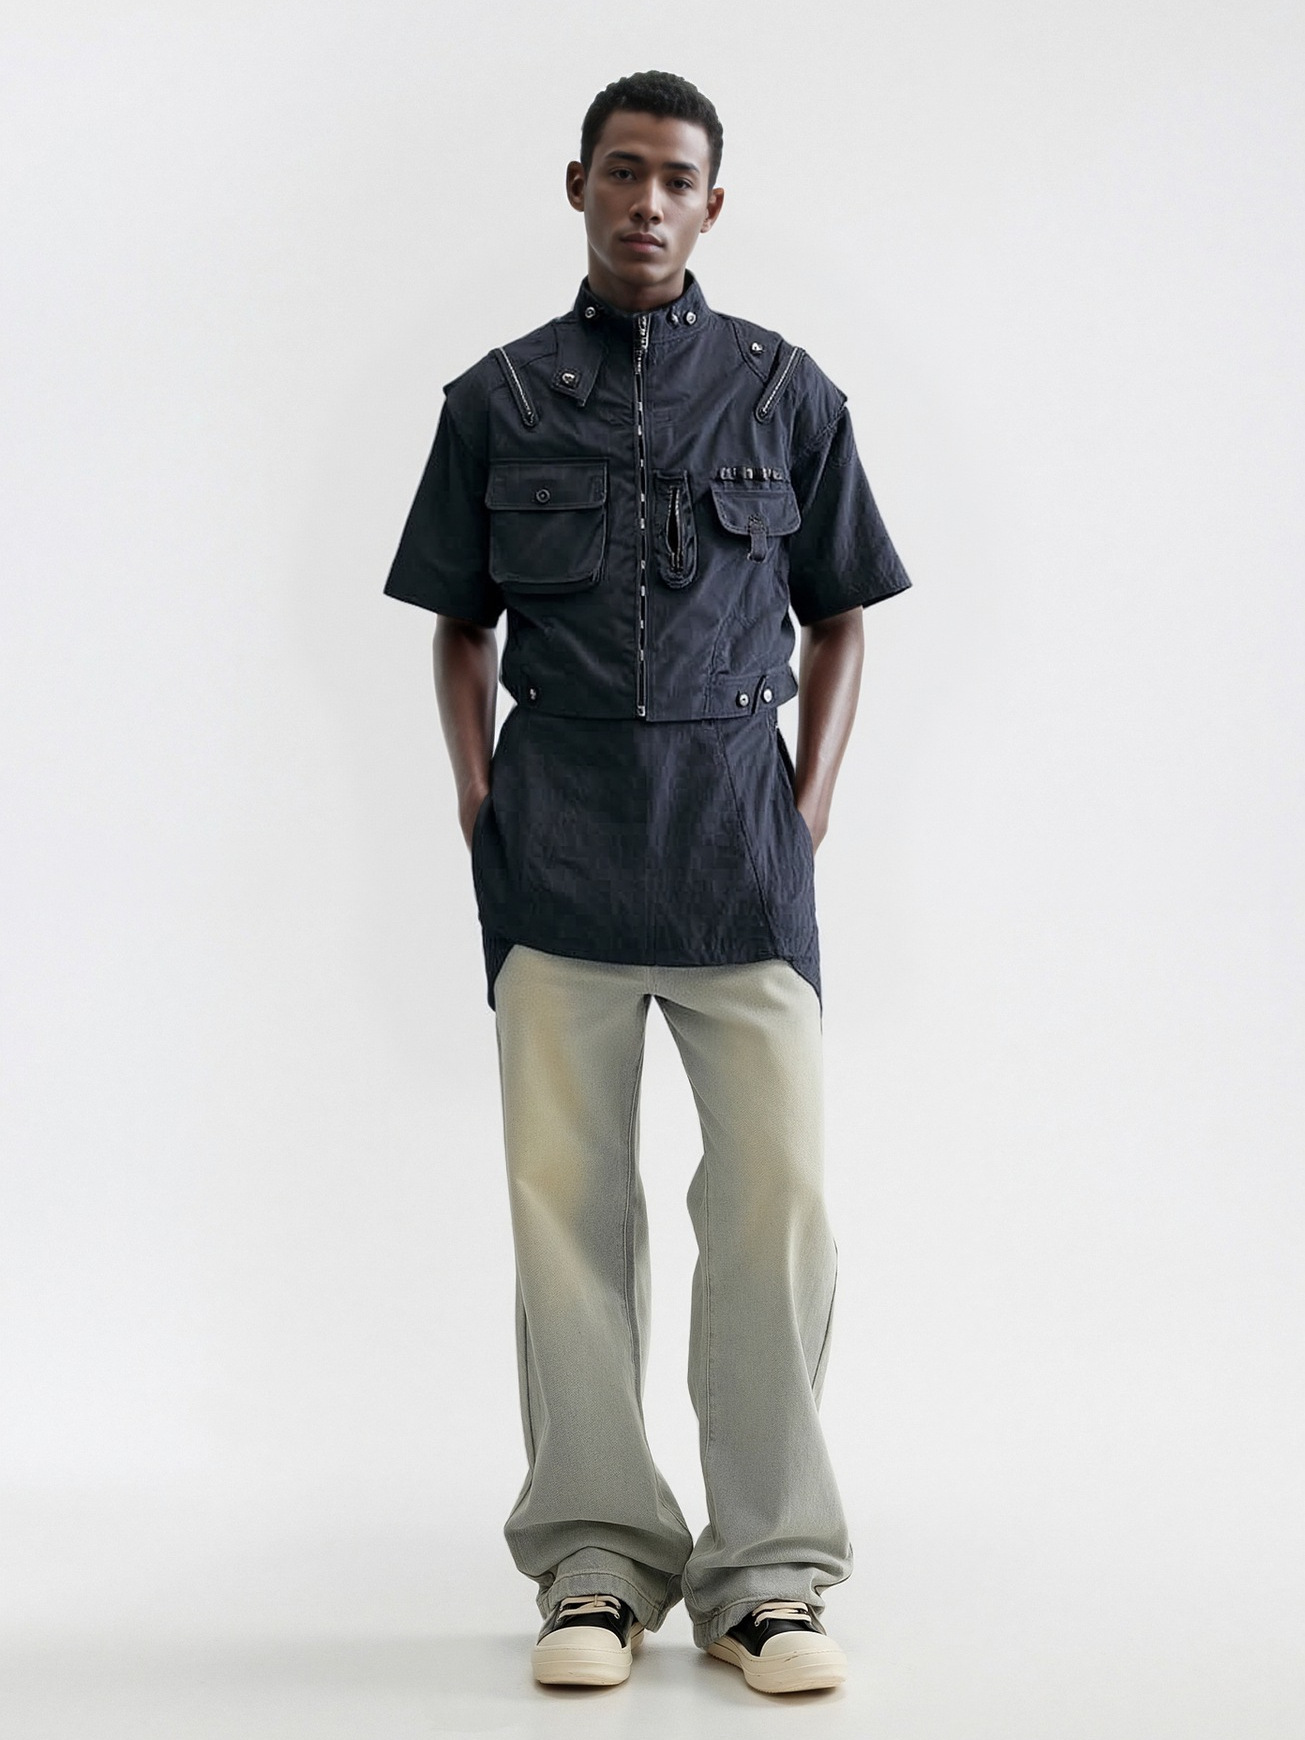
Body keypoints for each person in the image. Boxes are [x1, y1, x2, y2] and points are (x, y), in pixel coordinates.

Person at [383, 69, 911, 1697]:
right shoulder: (494, 399)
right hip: (558, 859)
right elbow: (458, 626)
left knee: (777, 1206)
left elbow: (841, 613)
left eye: (676, 178)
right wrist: (480, 805)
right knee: (566, 1216)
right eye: (622, 172)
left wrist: (805, 808)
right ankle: (597, 1563)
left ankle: (767, 1577)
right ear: (578, 186)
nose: (646, 202)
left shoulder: (783, 391)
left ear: (711, 204)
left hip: (740, 862)